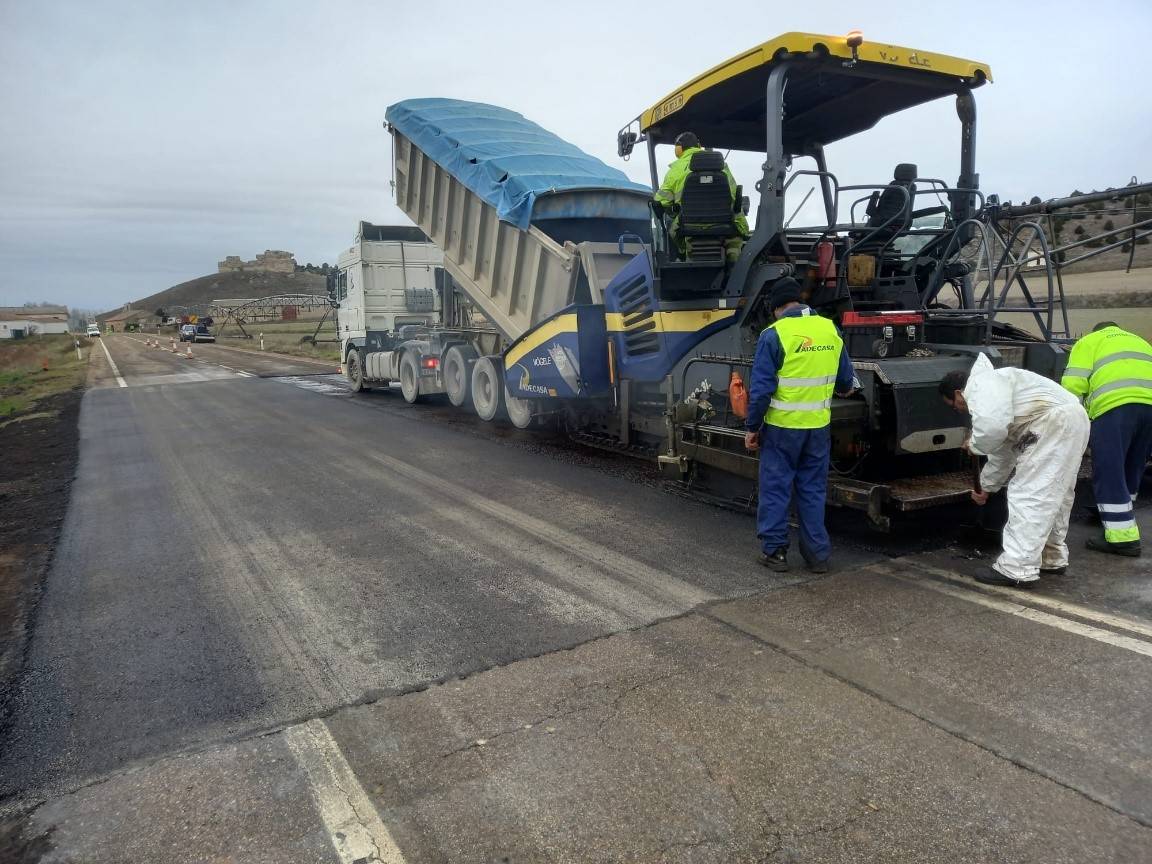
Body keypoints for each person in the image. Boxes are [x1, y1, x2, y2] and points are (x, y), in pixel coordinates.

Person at [940, 354, 1090, 587]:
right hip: (1072, 418)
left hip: (1051, 422)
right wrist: (987, 487)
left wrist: (975, 444)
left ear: (959, 393)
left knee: (1031, 495)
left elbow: (991, 431)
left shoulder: (981, 386)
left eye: (955, 406)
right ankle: (1052, 557)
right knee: (1057, 494)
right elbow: (1003, 453)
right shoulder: (1001, 388)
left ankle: (1017, 568)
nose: (960, 410)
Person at [744, 278, 855, 573]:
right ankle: (818, 556)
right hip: (818, 428)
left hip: (782, 429)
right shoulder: (829, 328)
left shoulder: (774, 334)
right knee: (812, 490)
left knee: (776, 488)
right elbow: (846, 381)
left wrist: (752, 427)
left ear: (777, 308)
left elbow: (761, 390)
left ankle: (776, 552)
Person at [1061, 321, 1152, 557]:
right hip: (1149, 408)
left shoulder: (1089, 341)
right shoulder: (1139, 340)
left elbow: (1072, 386)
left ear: (1096, 331)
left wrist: (1072, 427)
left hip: (1115, 408)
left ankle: (1123, 539)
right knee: (1133, 465)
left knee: (1109, 470)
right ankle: (1119, 520)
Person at [654, 131, 749, 262]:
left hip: (690, 227)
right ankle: (734, 264)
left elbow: (660, 201)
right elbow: (734, 194)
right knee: (736, 244)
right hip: (725, 225)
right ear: (699, 145)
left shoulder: (674, 171)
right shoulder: (723, 167)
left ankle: (684, 254)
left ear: (679, 149)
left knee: (673, 231)